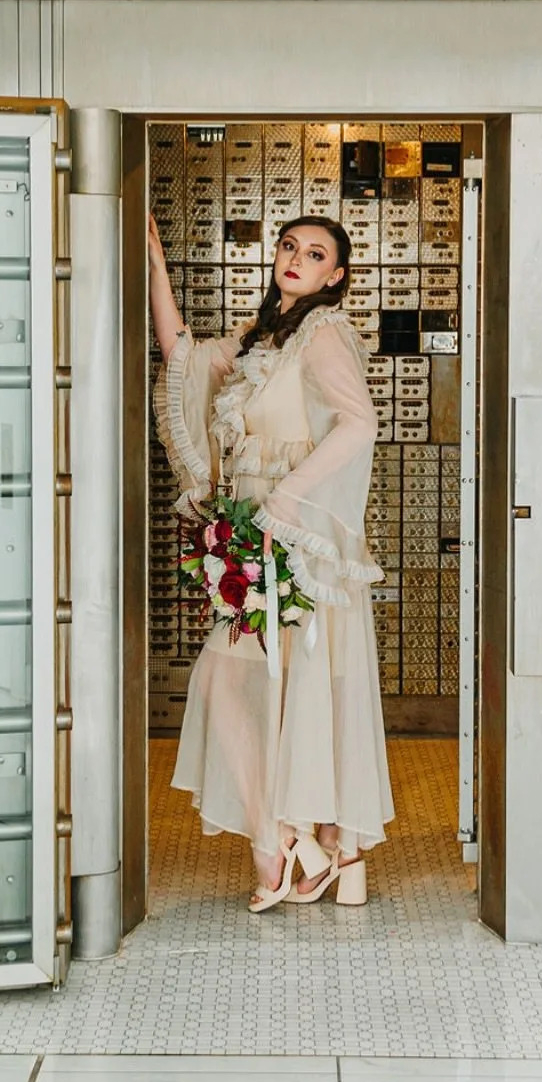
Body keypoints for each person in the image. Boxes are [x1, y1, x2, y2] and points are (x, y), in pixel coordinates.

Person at [149, 212, 394, 911]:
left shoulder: (321, 334)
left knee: (254, 684)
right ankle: (294, 844)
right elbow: (182, 355)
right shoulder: (264, 339)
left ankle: (288, 844)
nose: (297, 259)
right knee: (241, 685)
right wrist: (155, 268)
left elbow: (360, 422)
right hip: (251, 534)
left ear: (334, 276)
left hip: (294, 537)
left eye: (315, 254)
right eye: (289, 246)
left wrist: (288, 498)